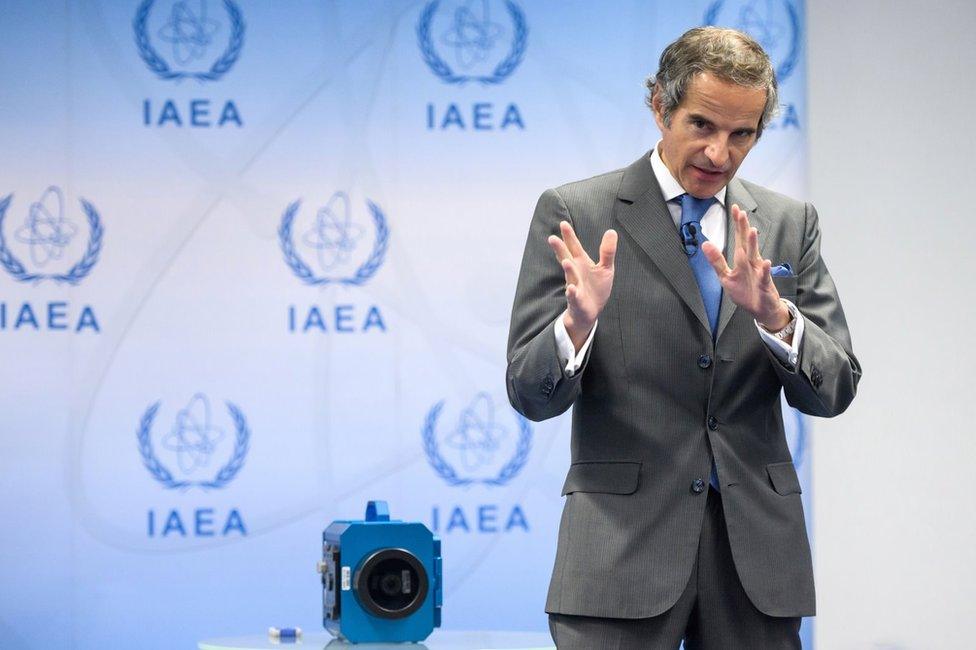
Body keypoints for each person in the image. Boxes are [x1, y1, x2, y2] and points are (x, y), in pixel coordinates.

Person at [506, 27, 861, 649]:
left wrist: (778, 321)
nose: (719, 153)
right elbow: (530, 394)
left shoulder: (786, 223)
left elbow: (833, 392)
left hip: (756, 563)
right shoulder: (579, 212)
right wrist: (576, 324)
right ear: (659, 106)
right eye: (701, 125)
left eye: (741, 134)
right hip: (619, 555)